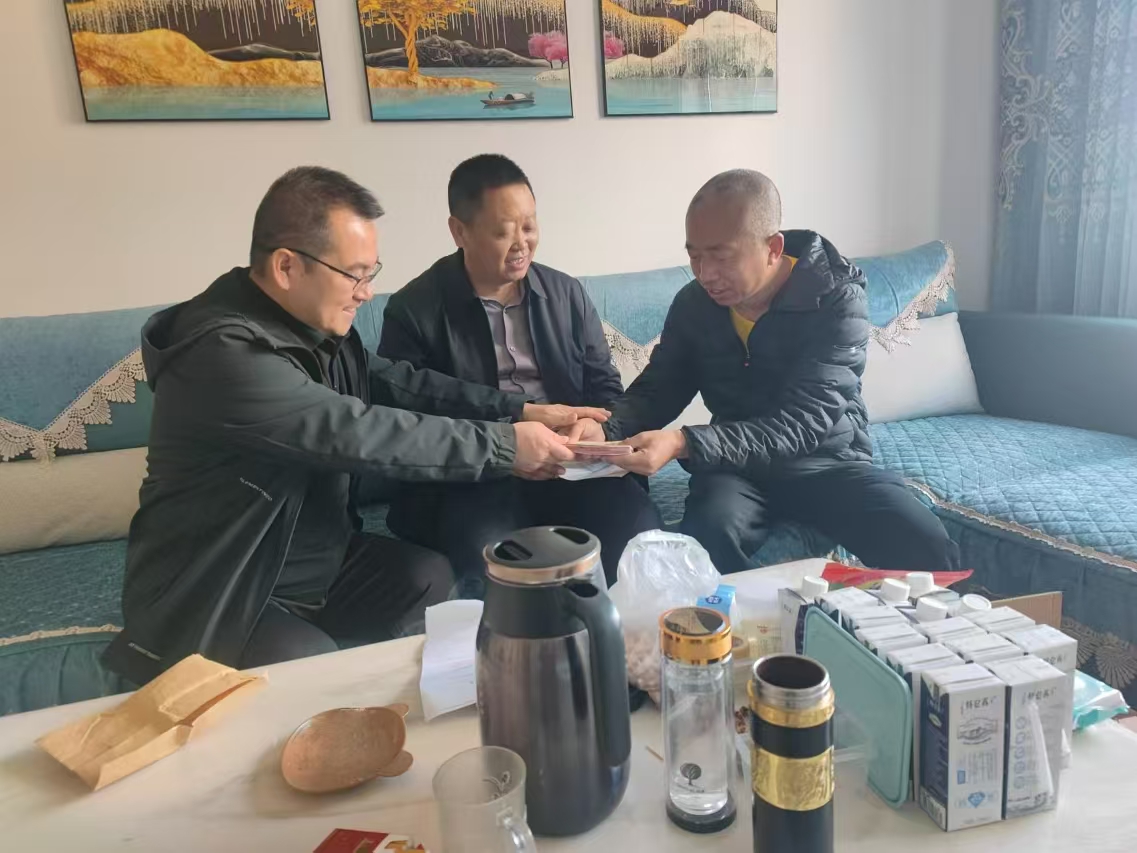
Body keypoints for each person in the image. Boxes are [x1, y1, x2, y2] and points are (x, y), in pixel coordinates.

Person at [103, 166, 607, 685]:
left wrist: (519, 411)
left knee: (429, 579)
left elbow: (401, 384)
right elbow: (355, 430)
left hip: (314, 559)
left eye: (371, 273)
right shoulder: (221, 354)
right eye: (355, 274)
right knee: (311, 667)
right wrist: (505, 446)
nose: (367, 293)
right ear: (286, 266)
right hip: (226, 580)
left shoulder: (314, 325)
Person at [578, 170, 958, 575]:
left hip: (825, 461)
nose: (705, 273)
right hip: (736, 467)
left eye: (721, 257)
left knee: (922, 539)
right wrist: (605, 429)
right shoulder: (694, 305)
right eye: (694, 256)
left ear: (773, 248)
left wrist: (683, 442)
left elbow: (805, 422)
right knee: (709, 532)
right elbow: (659, 389)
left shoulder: (835, 299)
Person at [378, 154, 662, 591]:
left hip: (572, 467)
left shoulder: (566, 294)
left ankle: (617, 633)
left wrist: (594, 429)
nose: (521, 244)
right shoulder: (415, 310)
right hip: (480, 475)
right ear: (459, 231)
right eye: (503, 231)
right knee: (492, 562)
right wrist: (508, 442)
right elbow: (411, 412)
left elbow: (604, 386)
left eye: (529, 226)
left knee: (640, 534)